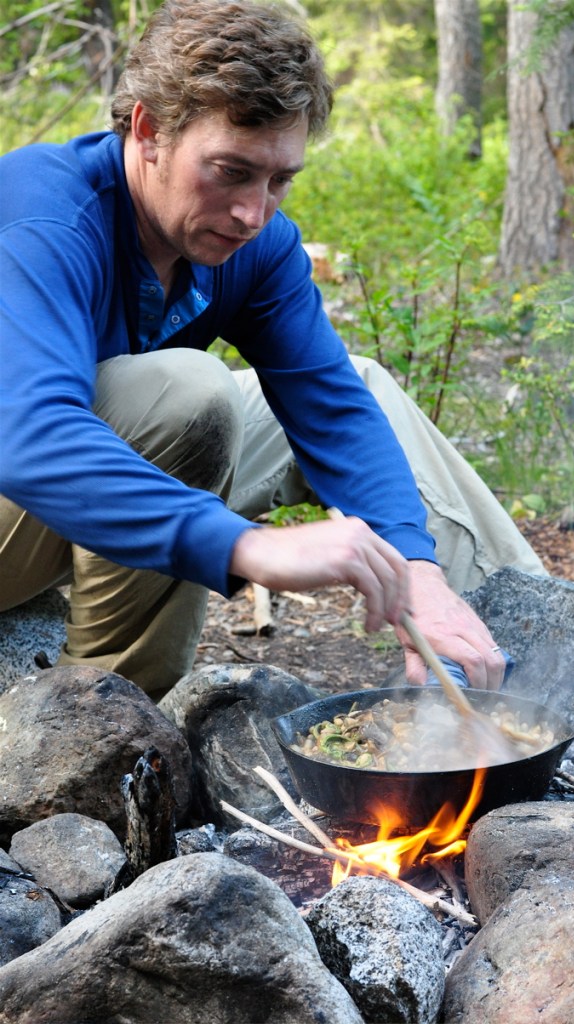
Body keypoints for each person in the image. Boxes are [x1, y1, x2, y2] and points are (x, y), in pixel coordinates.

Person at [0, 0, 545, 700]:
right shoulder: (43, 214)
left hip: (58, 494)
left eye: (280, 180)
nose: (255, 213)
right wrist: (250, 546)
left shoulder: (252, 246)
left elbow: (332, 409)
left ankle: (527, 663)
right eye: (231, 171)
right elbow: (28, 435)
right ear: (148, 129)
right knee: (189, 391)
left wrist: (416, 567)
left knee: (363, 384)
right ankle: (98, 722)